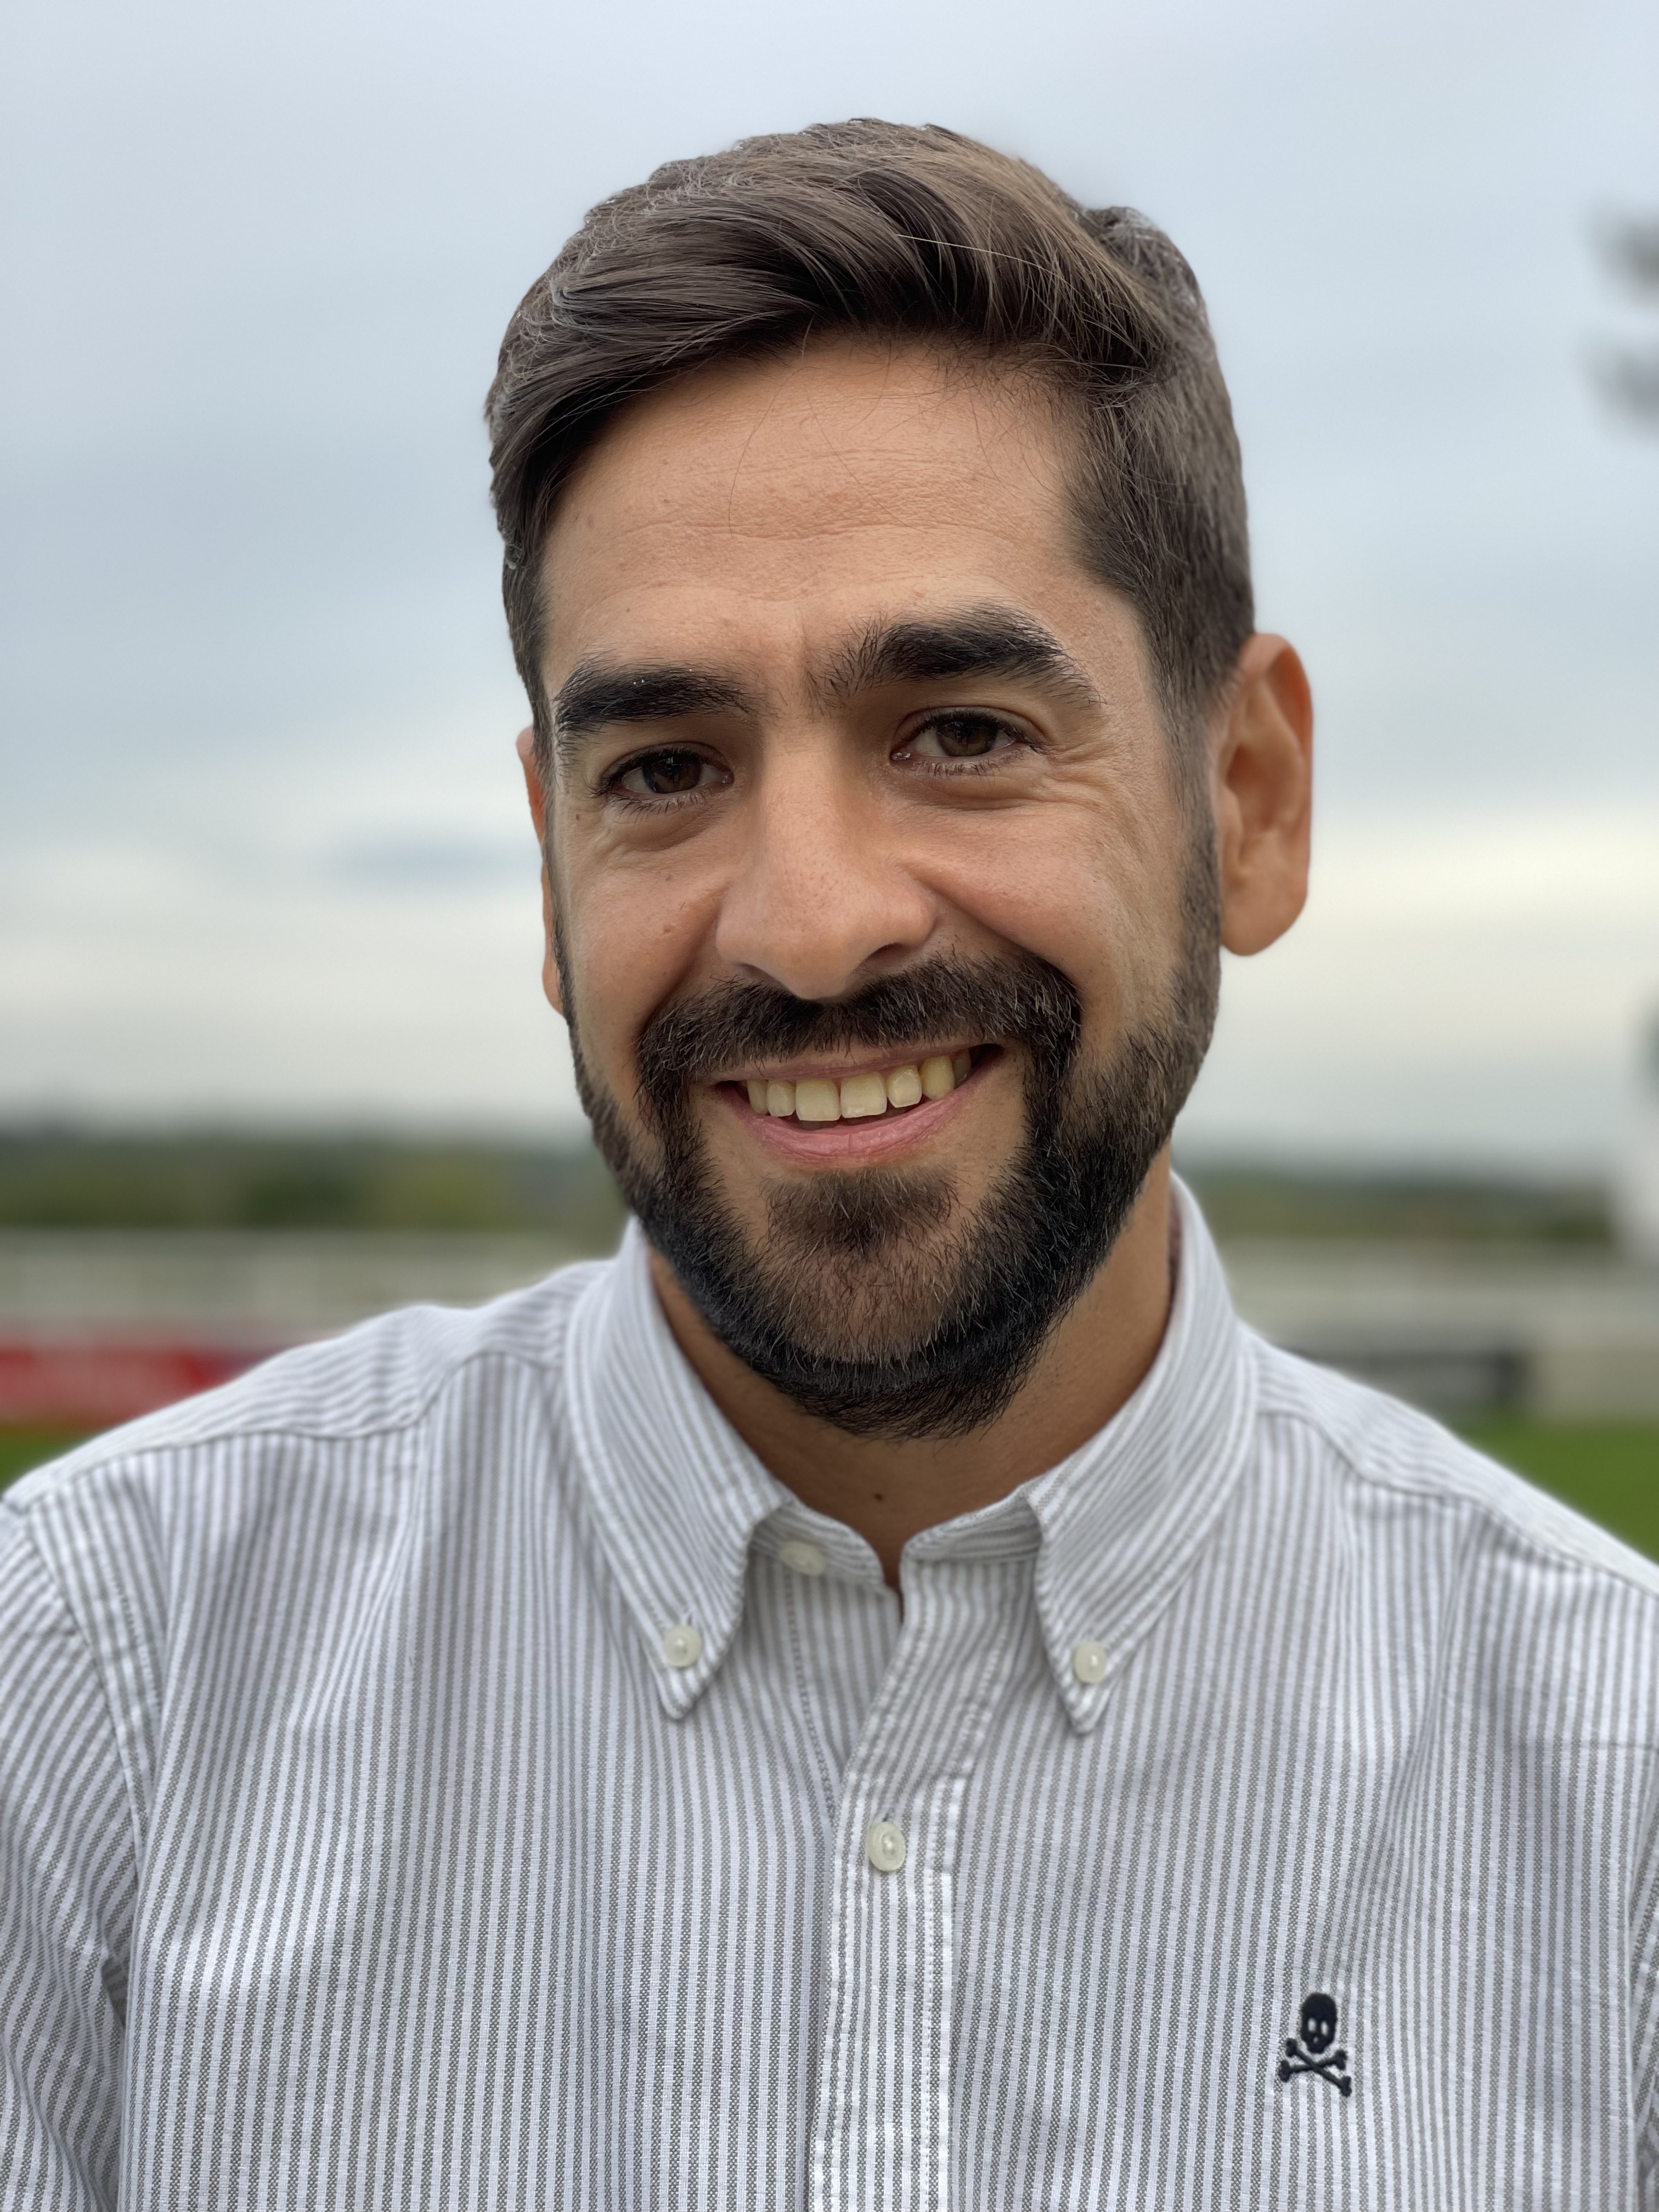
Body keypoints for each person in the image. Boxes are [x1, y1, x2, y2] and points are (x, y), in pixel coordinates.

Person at [3, 120, 1657, 2212]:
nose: (806, 926)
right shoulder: (94, 1690)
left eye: (961, 731)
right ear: (548, 867)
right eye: (666, 769)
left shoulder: (1612, 1796)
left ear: (1247, 798)